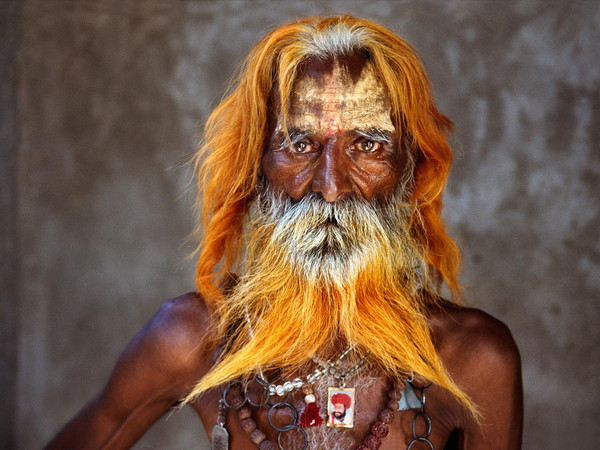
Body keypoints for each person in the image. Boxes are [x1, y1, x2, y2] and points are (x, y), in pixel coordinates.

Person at [46, 15, 523, 450]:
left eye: (368, 144)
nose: (331, 187)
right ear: (256, 169)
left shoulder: (473, 360)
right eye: (300, 144)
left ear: (409, 171)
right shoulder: (190, 339)